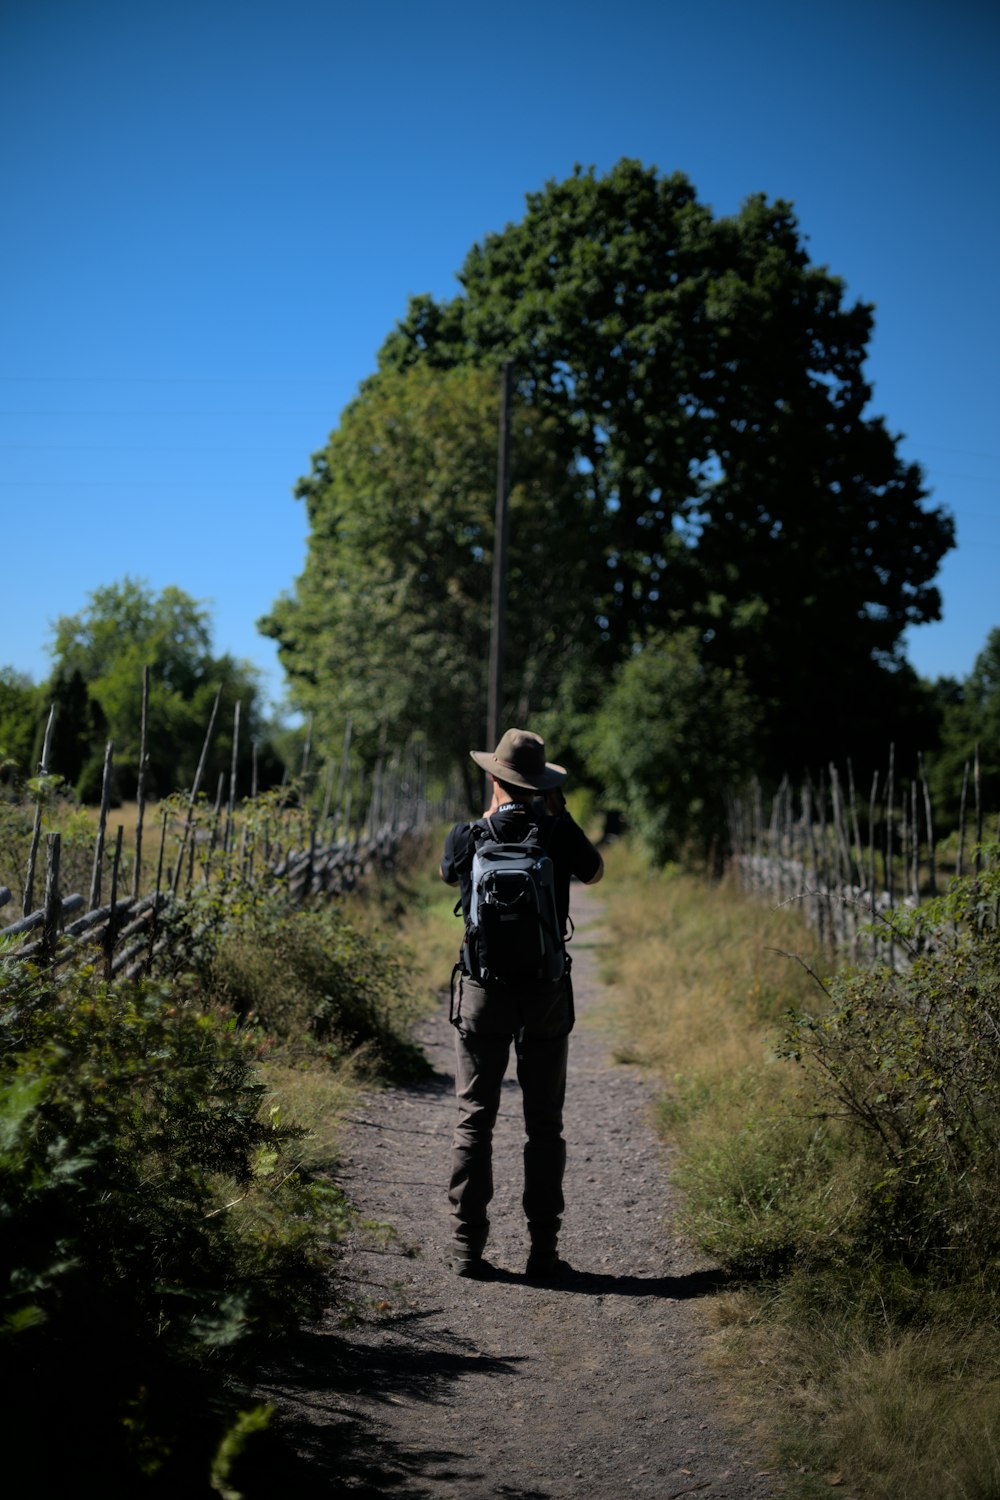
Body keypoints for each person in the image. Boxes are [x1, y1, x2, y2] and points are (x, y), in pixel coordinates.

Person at [440, 727, 604, 1281]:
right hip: (544, 994)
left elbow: (447, 875)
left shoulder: (468, 835)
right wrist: (556, 815)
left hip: (485, 994)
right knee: (544, 1126)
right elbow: (594, 870)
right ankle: (543, 1252)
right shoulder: (557, 832)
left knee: (474, 1121)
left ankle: (467, 1248)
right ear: (540, 785)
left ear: (493, 778)